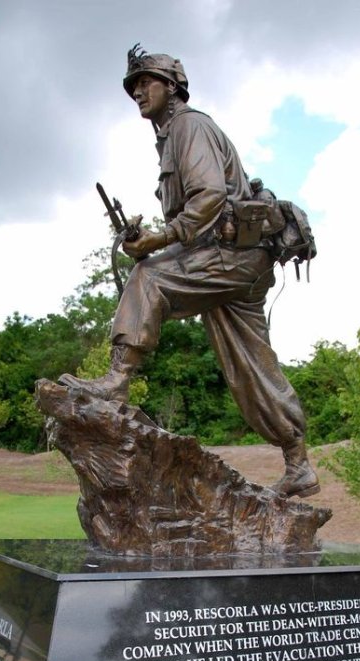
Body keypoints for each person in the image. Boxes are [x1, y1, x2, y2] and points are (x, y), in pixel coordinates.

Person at [62, 45, 319, 498]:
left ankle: (117, 381)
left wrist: (159, 241)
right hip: (240, 261)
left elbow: (210, 197)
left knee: (149, 278)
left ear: (172, 86)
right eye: (133, 86)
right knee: (249, 366)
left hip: (232, 255)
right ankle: (298, 463)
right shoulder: (172, 136)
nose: (138, 92)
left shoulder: (188, 126)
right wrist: (151, 239)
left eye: (146, 82)